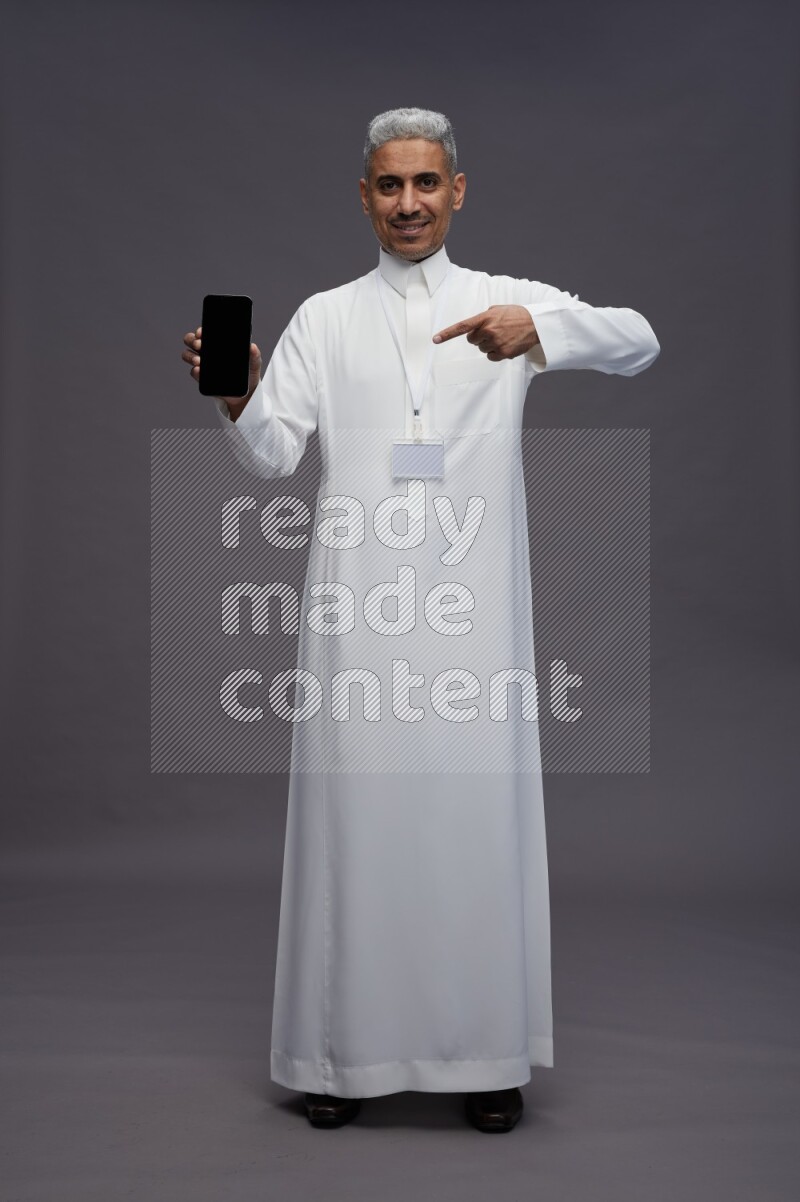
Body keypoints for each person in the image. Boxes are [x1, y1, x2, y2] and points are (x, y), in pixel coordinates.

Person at [181, 107, 659, 1134]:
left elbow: (640, 340)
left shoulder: (504, 299)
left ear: (457, 191)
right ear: (364, 197)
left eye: (426, 183)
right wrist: (238, 395)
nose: (409, 203)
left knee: (472, 824)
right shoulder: (324, 318)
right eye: (390, 185)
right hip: (357, 611)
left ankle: (483, 1057)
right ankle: (340, 1057)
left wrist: (544, 332)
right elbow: (270, 455)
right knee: (356, 825)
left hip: (474, 608)